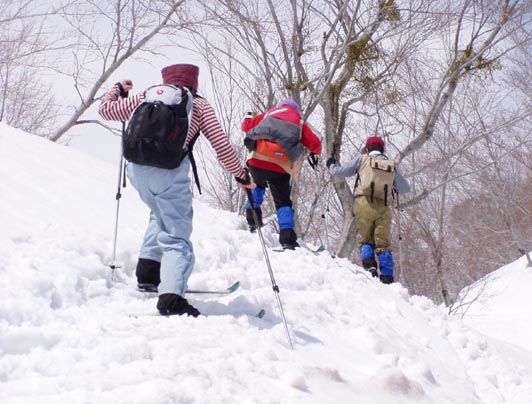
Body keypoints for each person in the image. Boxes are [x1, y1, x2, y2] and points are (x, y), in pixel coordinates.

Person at [99, 64, 253, 316]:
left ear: (166, 80)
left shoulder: (146, 95)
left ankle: (148, 272)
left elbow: (106, 110)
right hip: (168, 174)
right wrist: (241, 175)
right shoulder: (199, 105)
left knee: (159, 212)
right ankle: (171, 298)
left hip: (136, 171)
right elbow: (222, 145)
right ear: (195, 82)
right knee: (176, 236)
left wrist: (116, 89)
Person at [326, 136, 410, 284]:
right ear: (382, 149)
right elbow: (404, 188)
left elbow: (340, 172)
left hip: (363, 203)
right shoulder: (391, 165)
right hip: (383, 207)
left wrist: (331, 164)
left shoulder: (362, 159)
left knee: (366, 239)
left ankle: (370, 266)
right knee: (383, 243)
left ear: (367, 148)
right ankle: (387, 276)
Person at [241, 99, 321, 250]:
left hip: (257, 159)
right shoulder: (299, 121)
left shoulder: (268, 114)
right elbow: (315, 143)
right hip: (280, 164)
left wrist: (248, 116)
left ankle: (252, 221)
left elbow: (246, 127)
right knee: (283, 201)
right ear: (296, 110)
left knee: (257, 185)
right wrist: (315, 153)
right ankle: (286, 238)